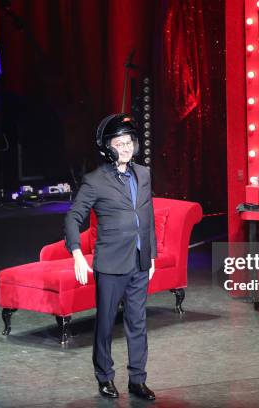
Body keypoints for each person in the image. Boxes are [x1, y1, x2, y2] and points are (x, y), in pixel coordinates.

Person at [64, 114, 157, 400]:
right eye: (120, 143)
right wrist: (78, 254)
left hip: (139, 262)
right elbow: (73, 218)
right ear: (107, 147)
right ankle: (104, 377)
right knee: (105, 324)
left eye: (129, 142)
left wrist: (151, 255)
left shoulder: (143, 174)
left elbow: (147, 215)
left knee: (137, 323)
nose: (126, 148)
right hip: (111, 265)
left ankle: (137, 380)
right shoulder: (94, 181)